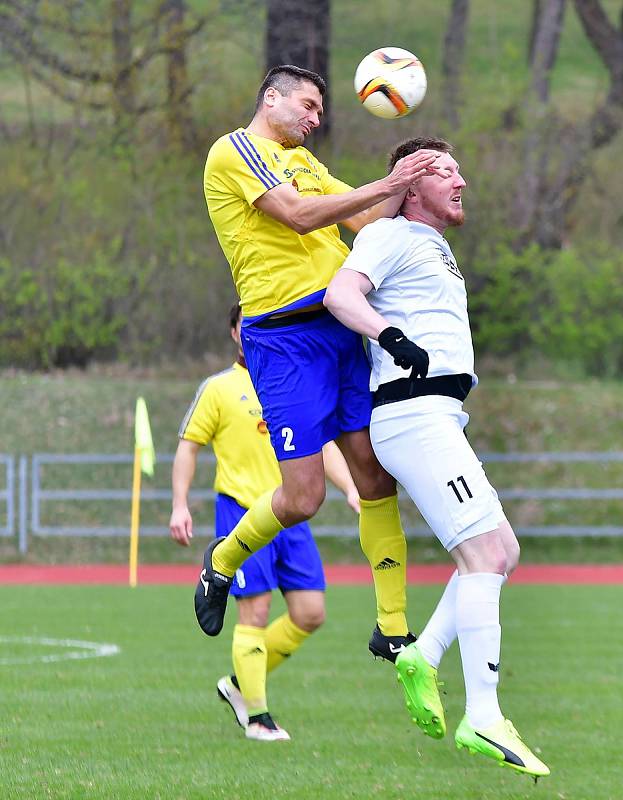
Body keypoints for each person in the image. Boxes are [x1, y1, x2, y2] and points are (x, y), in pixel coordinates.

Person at [323, 137, 550, 779]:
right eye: (444, 171)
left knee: (503, 551)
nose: (461, 181)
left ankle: (422, 654)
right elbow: (343, 296)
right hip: (413, 415)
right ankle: (483, 716)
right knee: (480, 556)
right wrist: (389, 336)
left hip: (439, 415)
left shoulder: (436, 246)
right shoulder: (390, 233)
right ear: (411, 186)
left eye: (458, 169)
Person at [196, 64, 440, 661]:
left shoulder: (306, 164)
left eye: (320, 113)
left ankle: (392, 623)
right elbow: (300, 215)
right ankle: (222, 560)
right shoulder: (237, 151)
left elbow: (360, 222)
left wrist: (412, 190)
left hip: (339, 329)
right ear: (270, 97)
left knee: (375, 477)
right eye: (306, 106)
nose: (313, 119)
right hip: (283, 342)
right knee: (304, 498)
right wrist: (387, 184)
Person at [170, 303, 360, 742]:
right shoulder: (219, 389)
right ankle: (257, 715)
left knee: (311, 613)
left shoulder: (292, 381)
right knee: (253, 612)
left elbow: (322, 445)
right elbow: (188, 447)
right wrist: (180, 504)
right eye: (243, 324)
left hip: (289, 514)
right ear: (238, 333)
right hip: (240, 512)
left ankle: (240, 682)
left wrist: (351, 487)